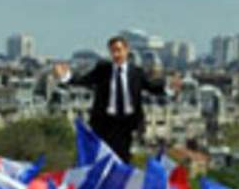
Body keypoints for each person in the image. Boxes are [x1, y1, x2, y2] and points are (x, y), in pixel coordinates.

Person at [53, 36, 182, 163]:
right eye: (113, 51)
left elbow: (152, 87)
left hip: (127, 123)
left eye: (119, 50)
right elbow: (84, 80)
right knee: (103, 159)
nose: (116, 54)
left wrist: (169, 88)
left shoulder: (136, 72)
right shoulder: (103, 70)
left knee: (123, 160)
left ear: (126, 50)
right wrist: (66, 77)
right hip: (106, 122)